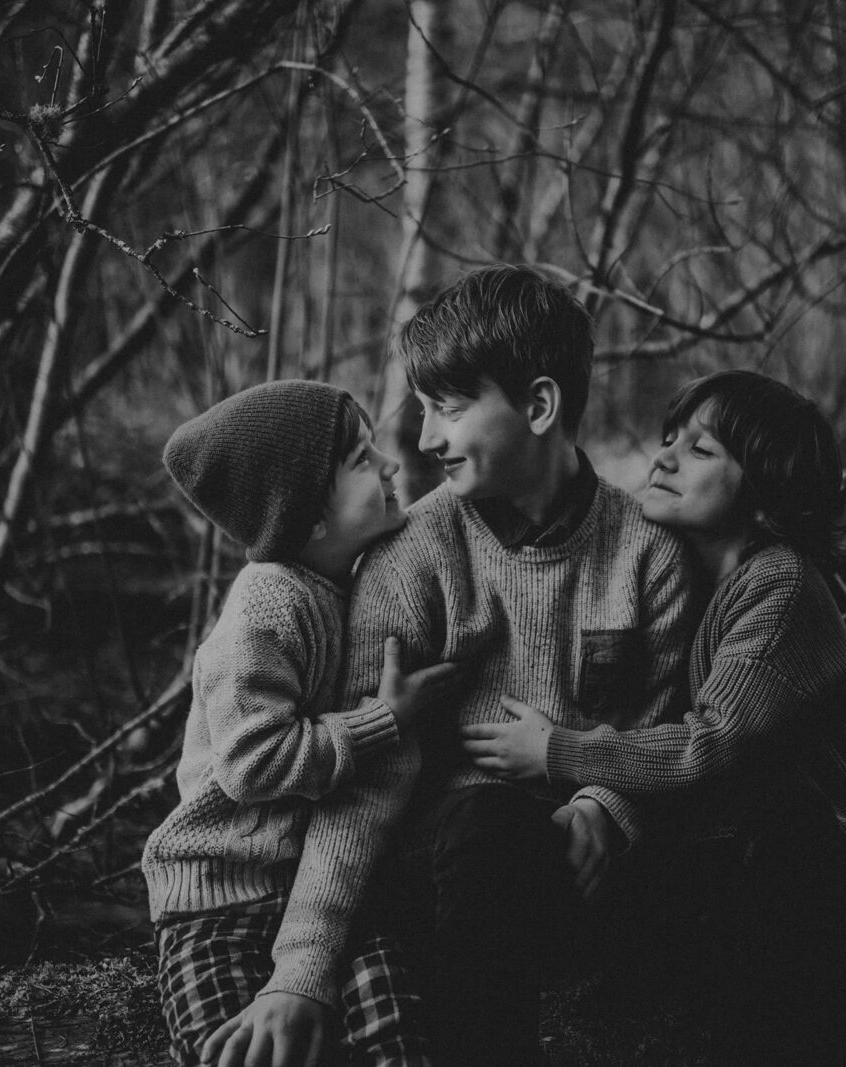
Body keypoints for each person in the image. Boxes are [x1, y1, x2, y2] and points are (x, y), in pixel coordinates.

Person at [463, 369, 846, 1064]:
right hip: (769, 846)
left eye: (700, 450)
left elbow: (713, 745)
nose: (663, 457)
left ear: (765, 489)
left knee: (759, 831)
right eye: (669, 438)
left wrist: (560, 750)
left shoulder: (778, 583)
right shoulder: (692, 581)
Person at [335, 265, 699, 1067]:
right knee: (486, 823)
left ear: (539, 406)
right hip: (449, 864)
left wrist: (607, 805)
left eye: (449, 408)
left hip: (590, 857)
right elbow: (367, 759)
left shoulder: (649, 551)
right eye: (425, 408)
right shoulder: (416, 550)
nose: (427, 438)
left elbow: (670, 728)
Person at [142, 380, 462, 1067]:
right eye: (359, 458)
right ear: (306, 516)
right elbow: (252, 763)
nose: (388, 464)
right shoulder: (267, 604)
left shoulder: (357, 580)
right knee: (234, 1052)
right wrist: (384, 719)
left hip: (313, 895)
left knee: (397, 1030)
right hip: (218, 897)